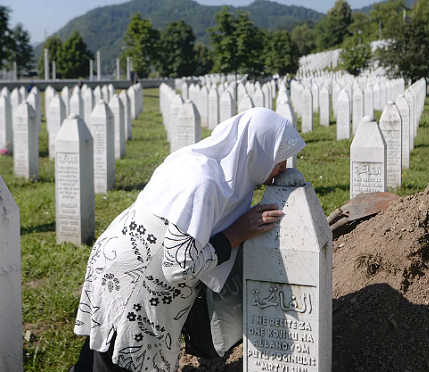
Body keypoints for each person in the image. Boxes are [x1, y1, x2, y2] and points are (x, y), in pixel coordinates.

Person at [69, 107, 306, 372]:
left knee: (96, 357)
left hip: (119, 262)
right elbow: (179, 266)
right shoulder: (204, 184)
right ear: (256, 151)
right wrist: (238, 233)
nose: (283, 168)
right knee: (116, 360)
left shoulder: (205, 162)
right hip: (135, 284)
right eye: (279, 159)